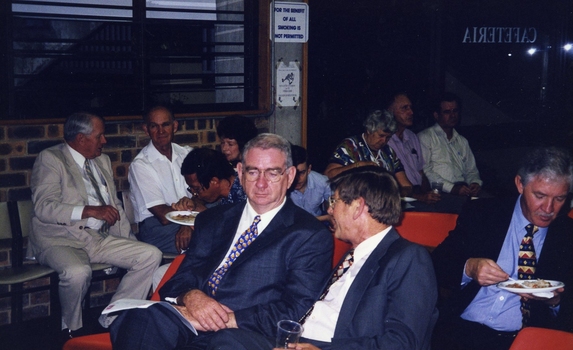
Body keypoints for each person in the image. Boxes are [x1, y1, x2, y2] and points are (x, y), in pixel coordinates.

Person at [110, 133, 334, 350]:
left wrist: (223, 319)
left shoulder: (309, 235)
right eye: (253, 172)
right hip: (191, 320)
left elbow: (295, 310)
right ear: (240, 172)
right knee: (140, 319)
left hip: (244, 332)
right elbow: (182, 277)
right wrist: (192, 296)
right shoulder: (213, 219)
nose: (262, 183)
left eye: (273, 173)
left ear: (290, 175)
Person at [207, 167, 439, 350]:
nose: (329, 210)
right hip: (296, 338)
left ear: (358, 207)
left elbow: (403, 343)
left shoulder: (408, 257)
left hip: (328, 346)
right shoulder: (352, 257)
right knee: (227, 340)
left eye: (334, 202)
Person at [28, 112, 162, 339]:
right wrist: (88, 211)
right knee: (77, 272)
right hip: (59, 239)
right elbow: (44, 207)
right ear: (81, 139)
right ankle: (71, 328)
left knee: (150, 255)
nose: (104, 141)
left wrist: (128, 242)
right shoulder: (51, 159)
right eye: (100, 136)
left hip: (96, 239)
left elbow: (115, 207)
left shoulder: (102, 161)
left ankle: (113, 317)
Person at [431, 147, 573, 350]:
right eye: (540, 196)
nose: (549, 209)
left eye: (559, 199)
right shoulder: (483, 213)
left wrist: (556, 301)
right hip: (463, 332)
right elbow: (437, 264)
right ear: (520, 184)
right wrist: (469, 268)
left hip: (525, 341)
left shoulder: (567, 235)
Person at [128, 106, 197, 255]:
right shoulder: (141, 165)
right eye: (154, 126)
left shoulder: (188, 153)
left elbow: (204, 193)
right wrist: (190, 222)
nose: (161, 131)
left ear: (175, 126)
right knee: (209, 240)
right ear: (146, 130)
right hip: (158, 228)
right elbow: (162, 215)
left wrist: (188, 224)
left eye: (165, 125)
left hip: (190, 220)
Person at [324, 109, 413, 196]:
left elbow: (406, 185)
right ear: (369, 130)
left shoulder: (388, 152)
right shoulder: (350, 146)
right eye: (381, 136)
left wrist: (390, 194)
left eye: (388, 137)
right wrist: (358, 166)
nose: (384, 141)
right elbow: (328, 174)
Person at [417, 92, 482, 197]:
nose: (452, 115)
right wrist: (451, 188)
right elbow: (425, 171)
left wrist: (474, 183)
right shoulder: (425, 137)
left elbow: (471, 170)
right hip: (440, 192)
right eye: (447, 112)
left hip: (463, 190)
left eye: (455, 111)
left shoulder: (462, 141)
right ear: (436, 115)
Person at [386, 92, 440, 204]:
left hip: (418, 194)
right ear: (391, 112)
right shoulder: (384, 140)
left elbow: (420, 172)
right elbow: (389, 184)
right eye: (404, 108)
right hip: (399, 198)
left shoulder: (412, 136)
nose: (411, 112)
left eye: (410, 108)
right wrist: (420, 197)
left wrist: (427, 194)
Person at [174, 147, 247, 208]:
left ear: (214, 181)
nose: (194, 194)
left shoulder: (245, 197)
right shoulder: (227, 190)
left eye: (197, 189)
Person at [289, 144, 331, 223]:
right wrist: (326, 218)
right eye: (294, 173)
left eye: (301, 173)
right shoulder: (281, 186)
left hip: (318, 224)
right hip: (293, 227)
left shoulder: (322, 182)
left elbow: (333, 206)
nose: (297, 179)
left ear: (309, 169)